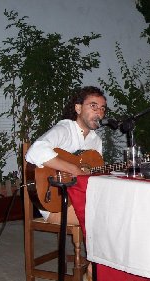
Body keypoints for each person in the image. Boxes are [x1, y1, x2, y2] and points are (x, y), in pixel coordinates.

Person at [25, 85, 106, 226]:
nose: (99, 112)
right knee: (106, 217)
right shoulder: (64, 130)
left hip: (81, 197)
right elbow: (35, 151)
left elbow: (94, 173)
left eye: (102, 108)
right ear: (78, 108)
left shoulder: (96, 141)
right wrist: (74, 169)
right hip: (55, 204)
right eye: (93, 106)